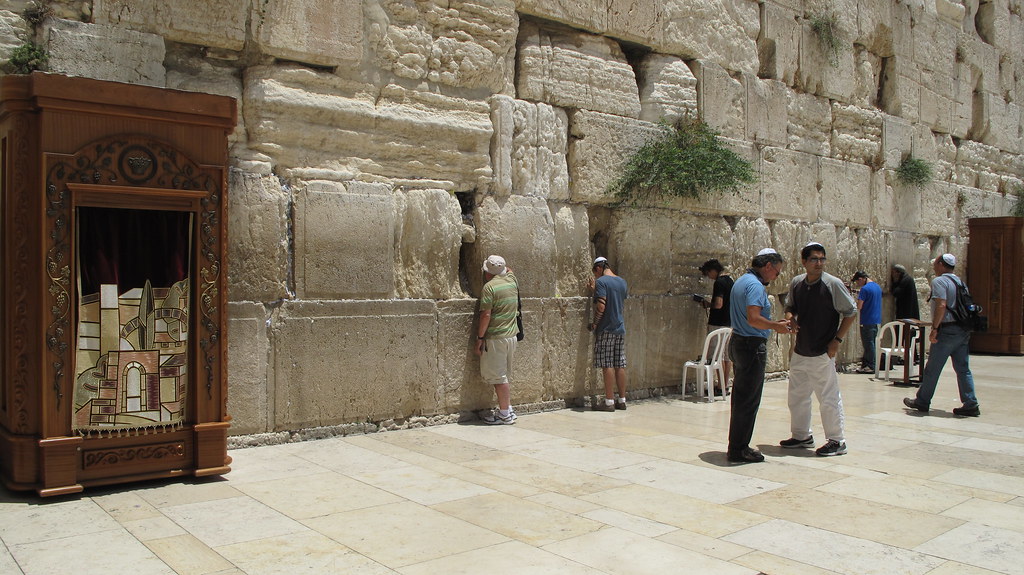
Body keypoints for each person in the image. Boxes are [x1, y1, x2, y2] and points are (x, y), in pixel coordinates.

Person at [780, 242, 857, 457]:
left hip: (822, 351)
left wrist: (837, 340)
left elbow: (851, 312)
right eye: (814, 259)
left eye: (822, 259)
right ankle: (801, 435)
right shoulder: (797, 283)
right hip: (801, 349)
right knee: (797, 395)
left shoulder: (833, 284)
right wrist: (790, 319)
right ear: (804, 262)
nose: (819, 263)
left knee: (828, 397)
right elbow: (790, 306)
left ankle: (836, 440)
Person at [726, 248, 791, 463]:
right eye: (777, 272)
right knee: (748, 400)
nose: (776, 277)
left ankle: (737, 445)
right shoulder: (755, 286)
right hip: (751, 346)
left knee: (741, 398)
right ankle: (739, 449)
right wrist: (775, 326)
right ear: (768, 266)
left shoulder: (742, 281)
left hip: (738, 342)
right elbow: (753, 318)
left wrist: (772, 324)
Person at [902, 254, 981, 417]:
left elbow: (941, 305)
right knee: (963, 369)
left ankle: (922, 401)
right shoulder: (960, 282)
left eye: (935, 263)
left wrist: (935, 328)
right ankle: (970, 403)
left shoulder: (939, 281)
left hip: (947, 330)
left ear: (940, 264)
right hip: (963, 330)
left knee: (933, 368)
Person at [475, 255, 520, 424]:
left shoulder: (489, 288)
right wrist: (501, 267)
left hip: (496, 338)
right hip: (511, 336)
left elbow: (486, 315)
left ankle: (504, 415)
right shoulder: (511, 280)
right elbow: (509, 270)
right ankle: (507, 408)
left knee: (498, 378)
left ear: (487, 273)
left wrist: (480, 338)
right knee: (504, 375)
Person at [588, 256, 628, 411]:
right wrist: (595, 291)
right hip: (620, 327)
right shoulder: (622, 282)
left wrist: (594, 324)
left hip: (606, 328)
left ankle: (609, 402)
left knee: (607, 363)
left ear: (598, 268)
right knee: (620, 363)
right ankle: (622, 400)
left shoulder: (601, 282)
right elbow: (616, 299)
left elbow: (602, 305)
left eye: (595, 273)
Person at [699, 259, 733, 391]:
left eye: (708, 273)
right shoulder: (730, 281)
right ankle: (725, 385)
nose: (709, 276)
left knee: (716, 355)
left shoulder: (719, 283)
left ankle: (720, 386)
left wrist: (708, 304)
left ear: (713, 270)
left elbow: (718, 304)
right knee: (726, 355)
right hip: (729, 323)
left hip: (717, 323)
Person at [851, 271, 882, 374]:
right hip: (876, 320)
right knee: (872, 342)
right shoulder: (877, 287)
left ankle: (870, 366)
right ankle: (868, 365)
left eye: (857, 282)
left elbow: (859, 306)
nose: (858, 285)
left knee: (868, 344)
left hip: (866, 320)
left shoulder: (864, 289)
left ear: (861, 279)